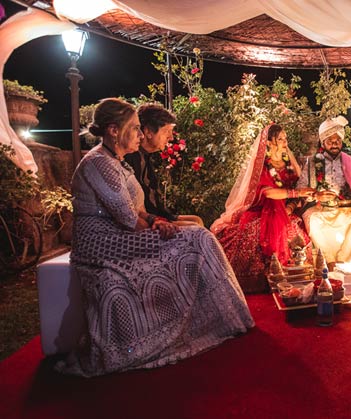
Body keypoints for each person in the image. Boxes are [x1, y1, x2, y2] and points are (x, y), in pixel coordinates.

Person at [60, 98, 254, 377]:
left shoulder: (118, 162)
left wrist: (155, 221)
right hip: (103, 244)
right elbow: (127, 217)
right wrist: (155, 228)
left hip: (122, 235)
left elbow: (137, 210)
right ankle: (211, 321)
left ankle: (218, 318)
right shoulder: (98, 163)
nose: (140, 135)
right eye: (135, 128)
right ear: (114, 130)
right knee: (197, 238)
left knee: (198, 236)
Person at [211, 123, 314, 293]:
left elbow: (298, 190)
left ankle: (293, 277)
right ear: (268, 142)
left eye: (285, 138)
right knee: (254, 235)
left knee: (296, 234)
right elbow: (269, 193)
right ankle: (268, 279)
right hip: (261, 212)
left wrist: (291, 206)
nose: (285, 142)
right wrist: (295, 193)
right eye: (280, 139)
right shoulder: (262, 166)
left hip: (286, 211)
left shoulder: (289, 164)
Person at [296, 116, 351, 265]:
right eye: (330, 141)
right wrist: (316, 195)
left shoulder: (348, 160)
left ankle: (346, 259)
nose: (334, 144)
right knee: (315, 222)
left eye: (337, 140)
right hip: (318, 205)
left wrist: (349, 201)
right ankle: (327, 261)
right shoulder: (313, 162)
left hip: (342, 204)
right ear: (323, 142)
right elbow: (300, 187)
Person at [124, 103, 204, 227]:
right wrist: (162, 220)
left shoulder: (145, 156)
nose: (171, 137)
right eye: (167, 131)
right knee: (196, 227)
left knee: (197, 220)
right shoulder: (132, 158)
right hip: (146, 220)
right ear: (148, 132)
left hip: (154, 215)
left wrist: (170, 217)